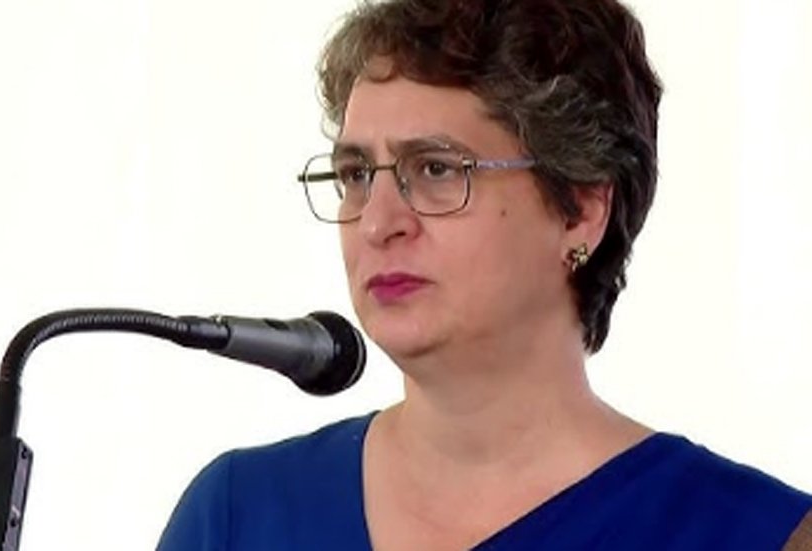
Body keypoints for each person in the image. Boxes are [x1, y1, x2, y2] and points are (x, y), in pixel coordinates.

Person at [157, 0, 812, 549]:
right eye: (356, 174)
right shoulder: (237, 516)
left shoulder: (754, 534)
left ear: (581, 209)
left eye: (436, 169)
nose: (377, 222)